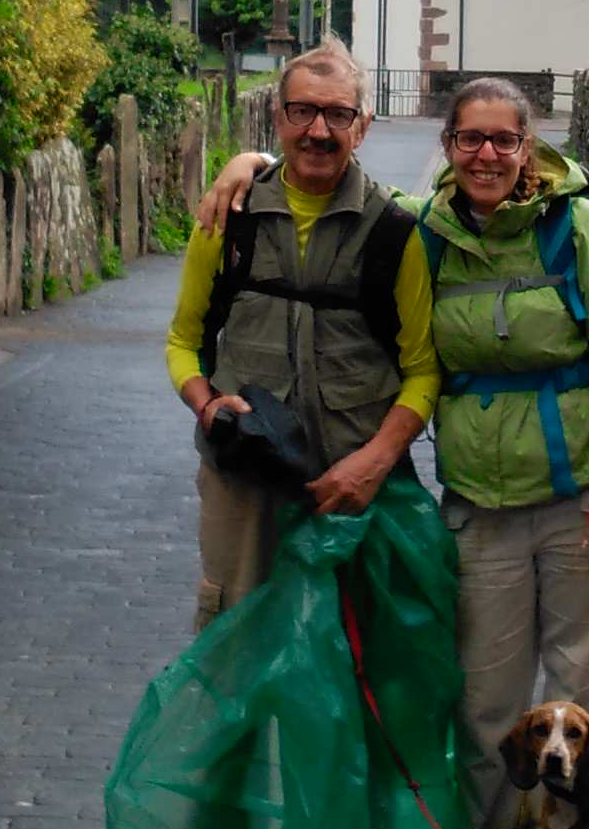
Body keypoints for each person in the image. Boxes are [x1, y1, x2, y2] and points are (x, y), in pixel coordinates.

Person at [209, 75, 589, 829]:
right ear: (449, 149)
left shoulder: (579, 230)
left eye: (504, 139)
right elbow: (329, 178)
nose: (486, 154)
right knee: (485, 699)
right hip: (481, 503)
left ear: (528, 149)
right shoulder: (426, 230)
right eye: (470, 140)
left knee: (582, 690)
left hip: (580, 501)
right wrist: (252, 162)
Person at [167, 42, 439, 628]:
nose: (319, 130)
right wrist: (208, 405)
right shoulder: (227, 219)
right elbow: (182, 342)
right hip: (242, 478)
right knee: (236, 643)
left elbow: (423, 371)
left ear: (362, 127)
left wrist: (373, 463)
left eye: (337, 114)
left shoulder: (396, 233)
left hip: (353, 490)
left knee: (354, 660)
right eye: (302, 111)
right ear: (278, 117)